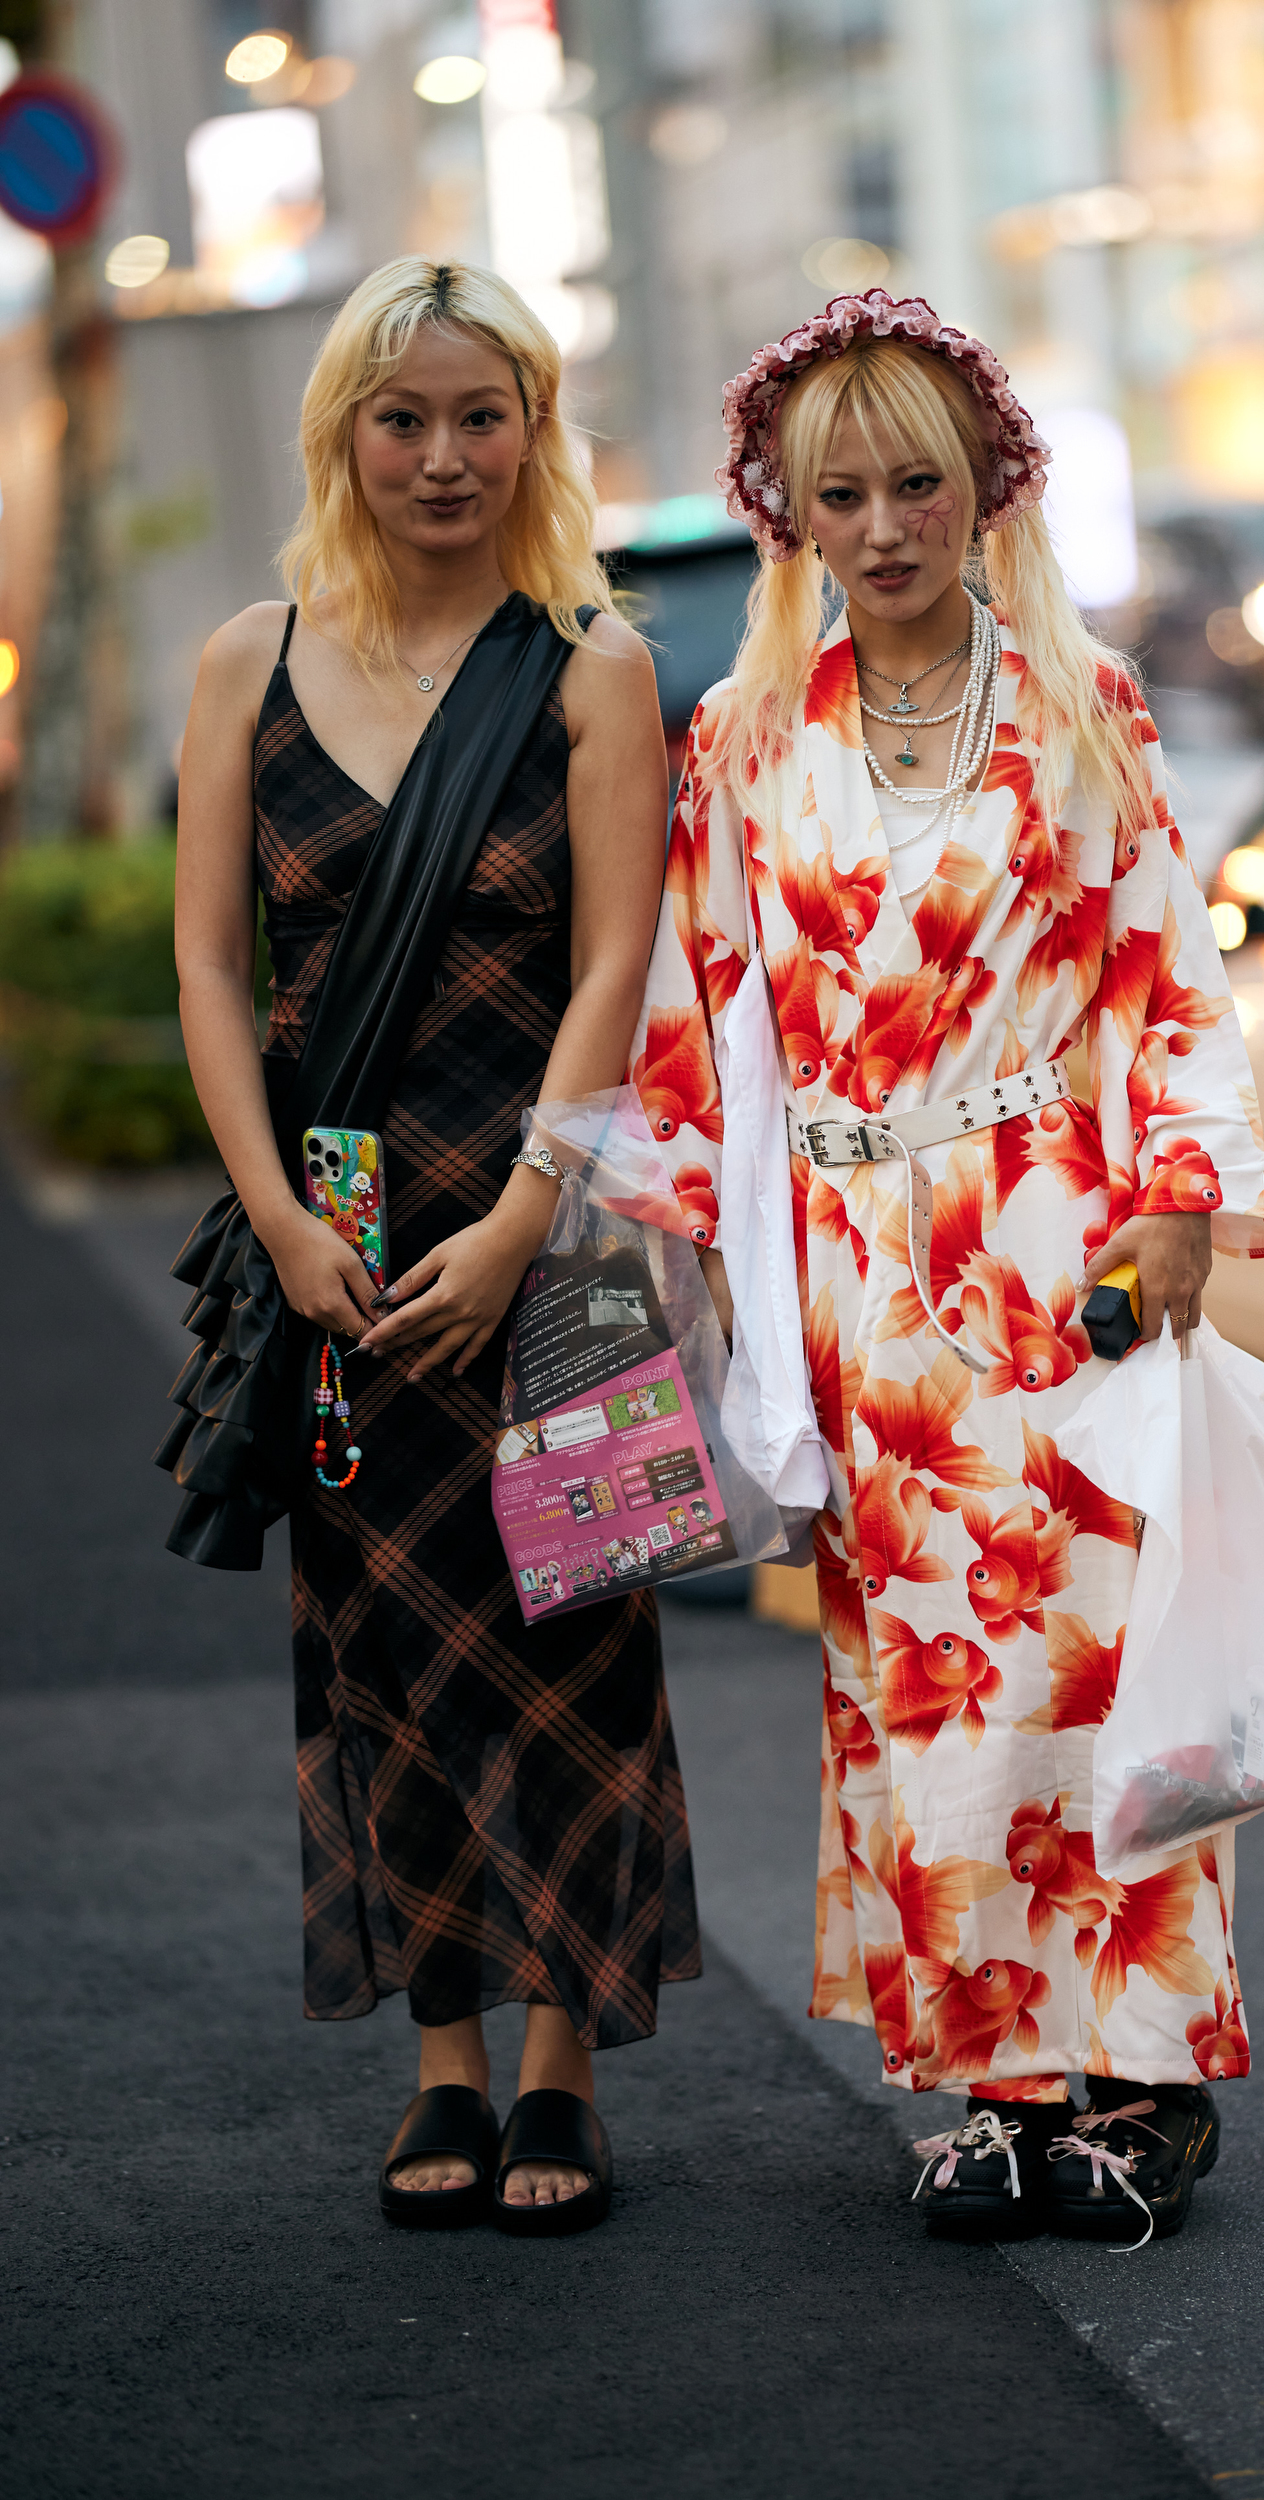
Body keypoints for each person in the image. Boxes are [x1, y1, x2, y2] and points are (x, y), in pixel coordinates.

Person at [631, 291, 1264, 2241]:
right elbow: (706, 1021)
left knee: (1109, 1665)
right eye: (845, 490)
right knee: (927, 1685)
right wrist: (691, 1278)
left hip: (1062, 1247)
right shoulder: (745, 737)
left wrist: (1178, 1201)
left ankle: (1144, 2079)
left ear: (986, 485)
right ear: (794, 513)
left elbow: (1171, 968)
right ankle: (1004, 2080)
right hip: (856, 1293)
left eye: (921, 480)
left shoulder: (1087, 704)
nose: (888, 521)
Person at [174, 258, 689, 2234]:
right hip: (350, 1223)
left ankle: (560, 2050)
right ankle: (443, 2054)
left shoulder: (591, 663)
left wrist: (531, 1214)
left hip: (556, 1223)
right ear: (344, 436)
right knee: (380, 1642)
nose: (446, 454)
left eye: (486, 415)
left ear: (535, 431)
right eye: (407, 419)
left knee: (579, 1636)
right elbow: (218, 966)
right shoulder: (249, 658)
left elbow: (617, 962)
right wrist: (290, 1224)